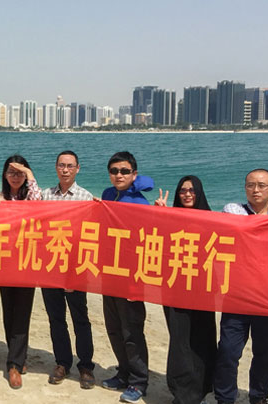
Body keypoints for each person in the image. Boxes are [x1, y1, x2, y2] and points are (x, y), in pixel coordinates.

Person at [214, 168, 268, 404]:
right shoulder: (233, 210)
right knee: (228, 351)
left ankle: (259, 396)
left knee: (264, 353)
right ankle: (225, 398)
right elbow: (235, 229)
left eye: (261, 185)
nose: (255, 190)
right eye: (250, 185)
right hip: (237, 295)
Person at [154, 176, 217, 404]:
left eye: (191, 190)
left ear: (199, 192)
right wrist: (160, 215)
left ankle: (201, 388)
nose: (187, 194)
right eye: (182, 190)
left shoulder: (213, 219)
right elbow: (155, 242)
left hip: (203, 289)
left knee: (202, 338)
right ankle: (181, 392)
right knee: (179, 340)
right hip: (175, 287)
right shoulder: (170, 217)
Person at [39, 150, 96, 389]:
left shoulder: (86, 197)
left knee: (80, 319)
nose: (65, 170)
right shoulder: (45, 195)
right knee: (56, 319)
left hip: (76, 269)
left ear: (77, 169)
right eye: (61, 165)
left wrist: (76, 273)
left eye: (70, 166)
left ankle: (86, 366)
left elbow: (91, 236)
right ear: (56, 168)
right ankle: (62, 363)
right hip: (50, 267)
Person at [99, 151, 153, 403]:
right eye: (114, 171)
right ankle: (123, 373)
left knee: (132, 332)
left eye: (124, 171)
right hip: (110, 273)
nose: (118, 175)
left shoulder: (141, 203)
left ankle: (139, 381)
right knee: (113, 328)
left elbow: (150, 241)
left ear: (134, 173)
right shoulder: (107, 194)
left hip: (132, 276)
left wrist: (140, 281)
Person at [0, 154, 41, 389]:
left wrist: (29, 173)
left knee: (22, 312)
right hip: (4, 263)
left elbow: (37, 204)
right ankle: (17, 355)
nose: (16, 177)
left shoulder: (30, 197)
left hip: (27, 263)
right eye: (11, 172)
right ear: (4, 175)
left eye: (20, 173)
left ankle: (14, 365)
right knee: (9, 312)